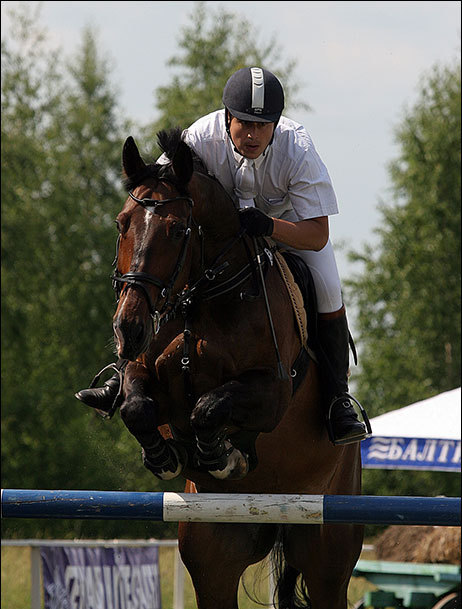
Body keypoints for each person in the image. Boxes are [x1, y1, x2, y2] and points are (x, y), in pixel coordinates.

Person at [76, 67, 369, 445]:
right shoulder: (200, 137)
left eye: (262, 126)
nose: (252, 134)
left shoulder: (298, 149)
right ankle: (123, 374)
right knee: (166, 268)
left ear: (276, 125)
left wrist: (268, 226)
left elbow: (317, 234)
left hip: (289, 230)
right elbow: (154, 193)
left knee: (329, 289)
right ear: (227, 118)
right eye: (244, 123)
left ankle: (337, 398)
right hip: (224, 240)